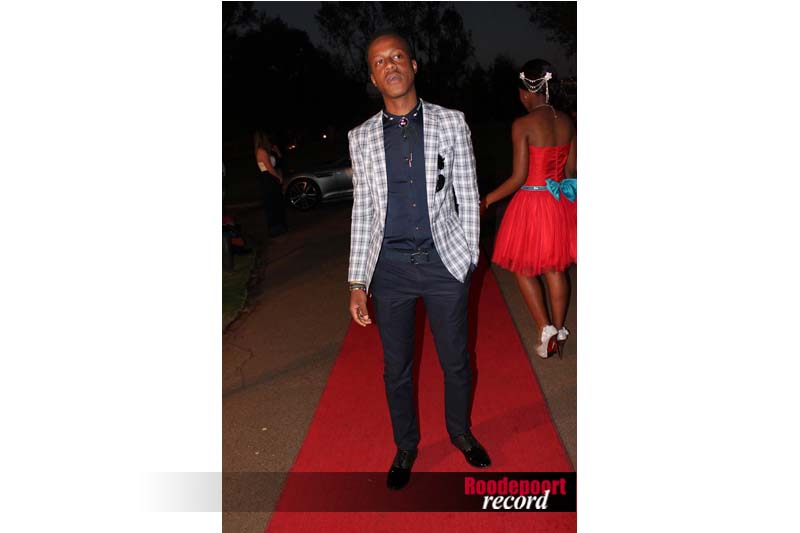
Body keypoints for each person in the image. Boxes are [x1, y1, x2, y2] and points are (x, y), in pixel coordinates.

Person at [347, 30, 491, 490]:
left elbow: (467, 192)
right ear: (373, 77)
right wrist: (357, 281)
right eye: (379, 62)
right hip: (389, 269)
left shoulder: (451, 122)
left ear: (413, 65)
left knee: (456, 360)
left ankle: (461, 432)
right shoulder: (361, 137)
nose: (389, 65)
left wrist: (467, 256)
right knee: (397, 369)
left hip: (443, 262)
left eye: (397, 56)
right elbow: (363, 209)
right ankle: (406, 445)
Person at [480, 59, 577, 359]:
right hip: (559, 201)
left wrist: (487, 199)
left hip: (532, 202)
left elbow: (518, 178)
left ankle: (545, 329)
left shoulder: (523, 125)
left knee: (523, 268)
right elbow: (570, 171)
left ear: (526, 92)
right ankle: (559, 329)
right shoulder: (567, 121)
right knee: (555, 269)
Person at [254, 130, 287, 237]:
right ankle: (274, 229)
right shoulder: (261, 151)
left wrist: (277, 152)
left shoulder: (268, 150)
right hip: (268, 179)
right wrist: (278, 177)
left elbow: (279, 164)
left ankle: (280, 226)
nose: (268, 139)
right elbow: (269, 168)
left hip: (272, 178)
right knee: (271, 204)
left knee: (278, 203)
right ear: (263, 139)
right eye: (266, 138)